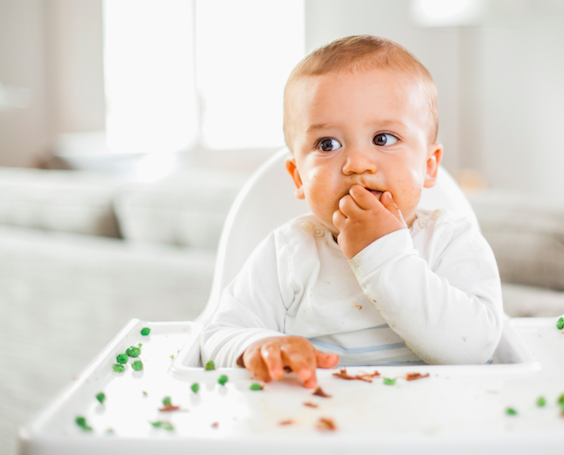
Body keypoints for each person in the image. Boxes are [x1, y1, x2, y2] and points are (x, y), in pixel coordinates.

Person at [200, 35, 503, 389]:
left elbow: (477, 347)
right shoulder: (288, 252)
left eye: (383, 138)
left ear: (429, 165)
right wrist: (257, 345)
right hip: (317, 423)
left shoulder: (450, 241)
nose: (356, 164)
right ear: (298, 176)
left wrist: (383, 254)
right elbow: (218, 333)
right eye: (327, 144)